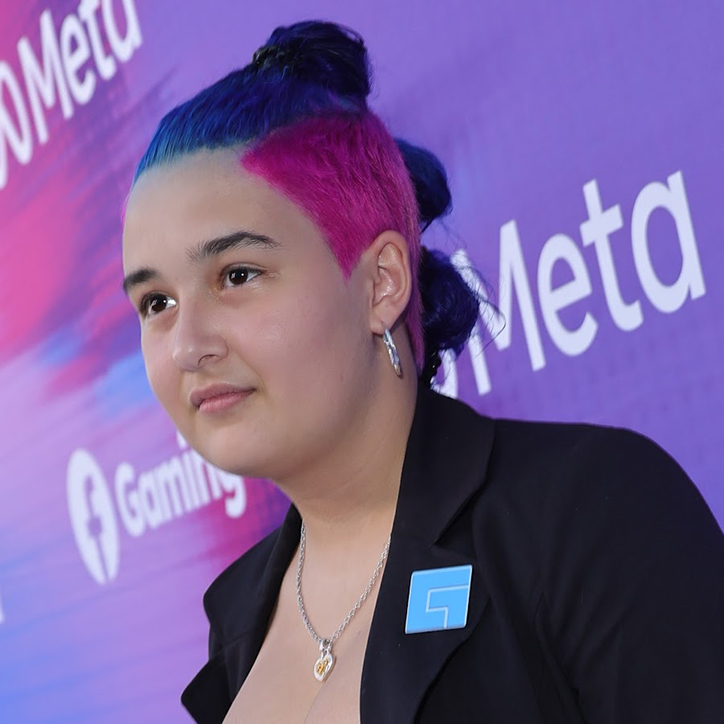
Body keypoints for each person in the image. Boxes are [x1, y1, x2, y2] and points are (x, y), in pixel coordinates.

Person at [121, 20, 724, 724]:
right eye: (156, 301)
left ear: (380, 283)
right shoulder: (236, 624)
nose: (186, 343)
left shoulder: (588, 515)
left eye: (238, 274)